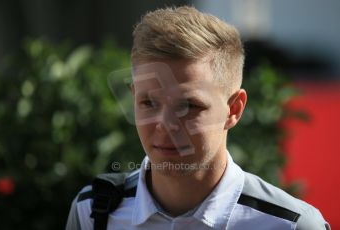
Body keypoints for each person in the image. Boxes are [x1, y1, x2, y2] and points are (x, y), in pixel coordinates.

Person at [66, 6, 330, 230]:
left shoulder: (292, 225)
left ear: (234, 109)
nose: (164, 124)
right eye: (148, 102)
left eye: (188, 106)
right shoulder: (92, 212)